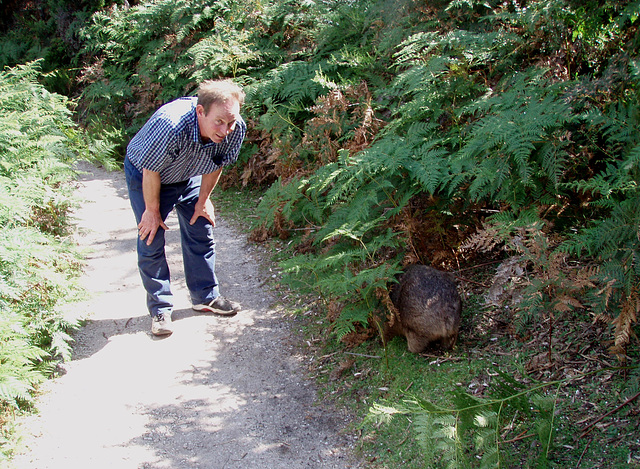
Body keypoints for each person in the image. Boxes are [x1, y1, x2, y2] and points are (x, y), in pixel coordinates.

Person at [124, 79, 246, 336]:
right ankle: (160, 309)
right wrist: (152, 210)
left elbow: (216, 163)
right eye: (219, 122)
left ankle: (205, 297)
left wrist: (203, 201)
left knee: (201, 227)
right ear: (201, 111)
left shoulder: (235, 128)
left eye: (231, 121)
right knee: (151, 236)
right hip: (147, 173)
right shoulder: (170, 124)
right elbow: (151, 170)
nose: (226, 129)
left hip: (188, 173)